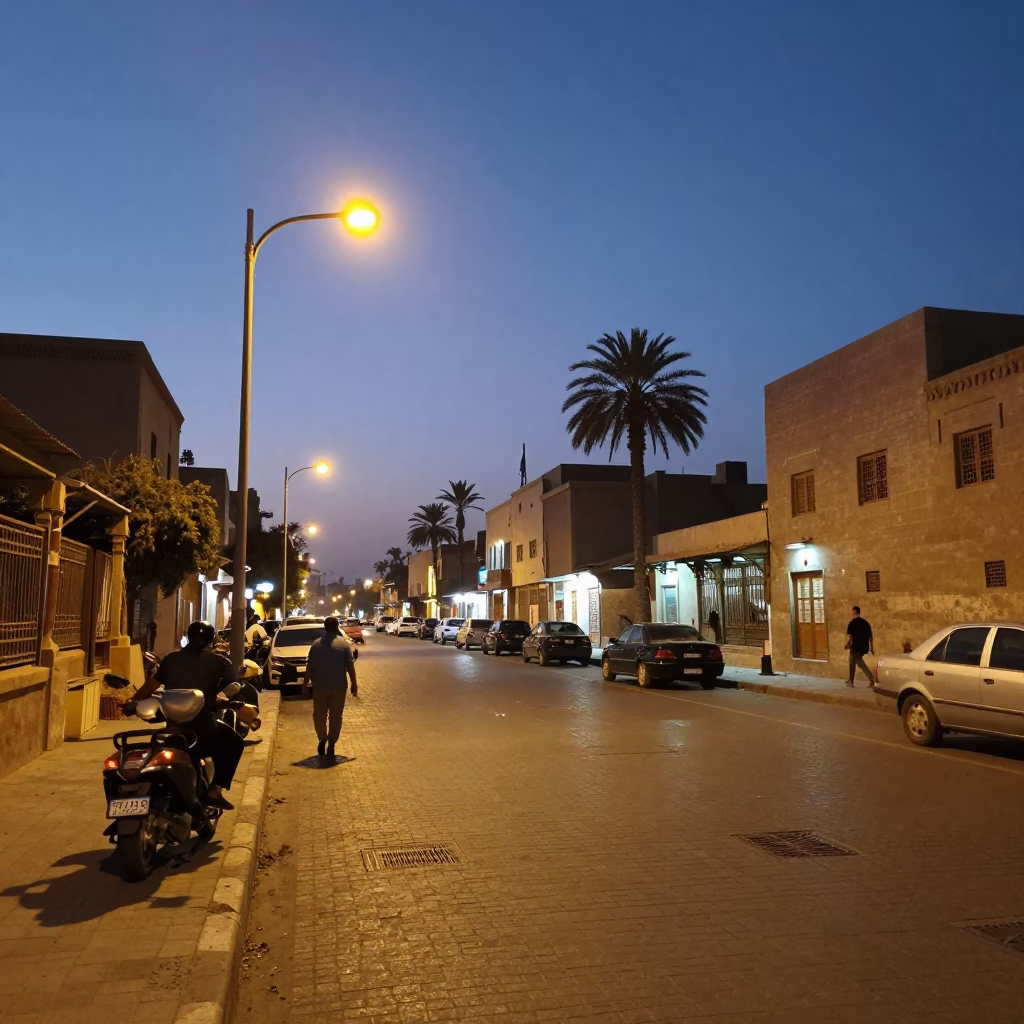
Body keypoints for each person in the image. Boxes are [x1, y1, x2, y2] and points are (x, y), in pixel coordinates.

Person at [126, 620, 244, 809]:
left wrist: (132, 701)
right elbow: (233, 687)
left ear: (188, 636)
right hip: (204, 729)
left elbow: (151, 685)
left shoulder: (171, 659)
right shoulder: (220, 662)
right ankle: (215, 791)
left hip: (174, 729)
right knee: (234, 743)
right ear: (211, 639)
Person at [305, 616, 357, 760]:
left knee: (319, 715)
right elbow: (350, 666)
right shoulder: (344, 645)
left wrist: (305, 683)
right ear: (337, 627)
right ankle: (332, 743)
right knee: (336, 717)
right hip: (339, 687)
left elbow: (309, 667)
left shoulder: (316, 645)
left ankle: (322, 738)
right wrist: (354, 683)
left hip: (320, 686)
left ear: (325, 627)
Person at [845, 605, 877, 688]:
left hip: (855, 647)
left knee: (858, 662)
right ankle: (850, 680)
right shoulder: (865, 623)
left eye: (852, 613)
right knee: (853, 661)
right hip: (864, 647)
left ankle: (871, 680)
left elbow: (851, 637)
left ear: (854, 612)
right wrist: (872, 647)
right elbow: (870, 636)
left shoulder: (852, 623)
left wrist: (847, 644)